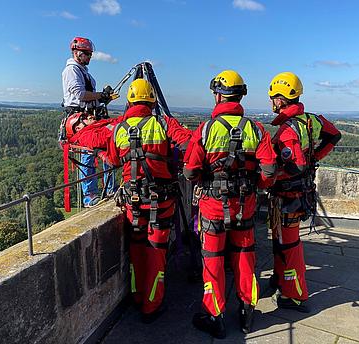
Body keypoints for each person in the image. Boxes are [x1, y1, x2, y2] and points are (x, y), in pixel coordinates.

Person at [183, 70, 276, 338]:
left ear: (218, 95)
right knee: (245, 257)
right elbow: (269, 170)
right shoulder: (256, 129)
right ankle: (247, 311)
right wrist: (255, 185)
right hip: (245, 205)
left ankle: (215, 316)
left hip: (213, 206)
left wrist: (207, 177)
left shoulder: (206, 129)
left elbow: (190, 171)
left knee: (213, 260)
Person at [109, 78, 192, 323]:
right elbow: (188, 143)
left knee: (136, 249)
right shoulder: (163, 123)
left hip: (132, 203)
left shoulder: (119, 128)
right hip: (160, 202)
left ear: (129, 100)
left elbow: (113, 160)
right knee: (156, 252)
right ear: (152, 100)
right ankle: (151, 305)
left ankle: (137, 296)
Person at [267, 72, 341, 313]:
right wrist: (316, 157)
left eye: (273, 97)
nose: (272, 102)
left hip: (289, 196)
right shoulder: (312, 120)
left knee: (289, 244)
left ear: (281, 99)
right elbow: (334, 135)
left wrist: (273, 175)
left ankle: (296, 295)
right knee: (281, 242)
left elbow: (295, 164)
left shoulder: (288, 129)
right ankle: (280, 279)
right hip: (302, 192)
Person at [61, 36, 112, 207]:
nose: (90, 57)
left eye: (90, 54)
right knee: (89, 151)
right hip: (78, 119)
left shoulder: (82, 71)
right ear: (77, 52)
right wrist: (100, 95)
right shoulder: (71, 71)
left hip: (88, 115)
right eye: (87, 54)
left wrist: (104, 98)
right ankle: (89, 195)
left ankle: (109, 188)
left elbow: (88, 97)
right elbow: (80, 95)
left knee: (110, 142)